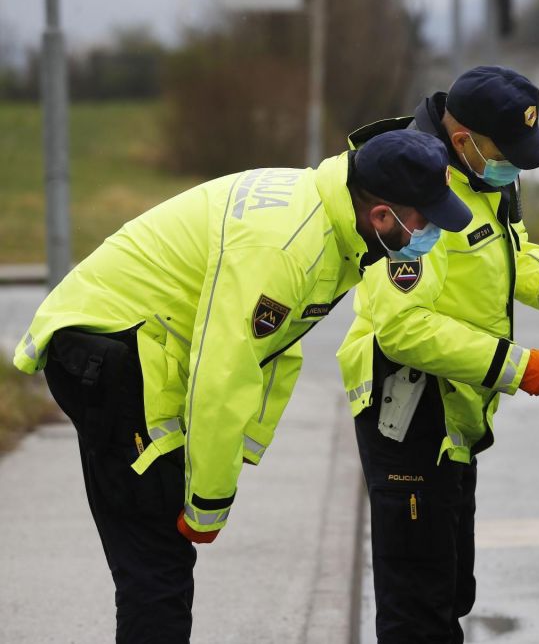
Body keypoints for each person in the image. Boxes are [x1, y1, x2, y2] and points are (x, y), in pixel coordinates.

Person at [10, 129, 472, 643]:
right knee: (156, 559)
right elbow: (225, 370)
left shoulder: (330, 220)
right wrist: (208, 501)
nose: (430, 232)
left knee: (155, 559)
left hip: (134, 347)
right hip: (112, 352)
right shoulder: (287, 246)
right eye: (425, 219)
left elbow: (273, 350)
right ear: (383, 216)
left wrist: (239, 453)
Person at [338, 65, 539, 643]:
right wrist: (516, 366)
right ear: (463, 141)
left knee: (451, 588)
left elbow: (509, 248)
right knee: (417, 606)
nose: (516, 167)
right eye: (509, 154)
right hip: (406, 409)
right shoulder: (411, 186)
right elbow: (400, 329)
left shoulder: (486, 174)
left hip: (456, 408)